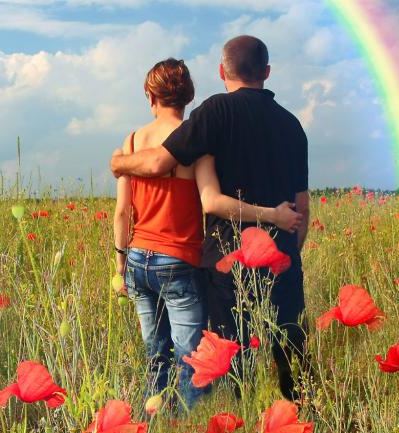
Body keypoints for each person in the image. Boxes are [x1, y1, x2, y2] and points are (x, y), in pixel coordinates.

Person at [111, 36, 311, 402]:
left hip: (224, 266)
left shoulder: (214, 113)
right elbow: (302, 209)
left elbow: (161, 167)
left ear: (222, 72)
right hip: (281, 264)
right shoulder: (293, 126)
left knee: (225, 366)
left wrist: (118, 162)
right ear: (267, 72)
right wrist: (280, 251)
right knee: (290, 364)